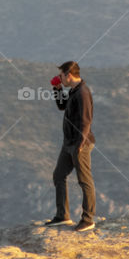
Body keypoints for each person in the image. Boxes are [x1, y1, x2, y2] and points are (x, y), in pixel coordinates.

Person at [45, 61, 96, 231]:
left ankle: (88, 219)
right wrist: (57, 89)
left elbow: (86, 121)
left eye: (61, 76)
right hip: (68, 143)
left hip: (79, 144)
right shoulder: (74, 90)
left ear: (68, 74)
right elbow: (62, 106)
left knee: (84, 180)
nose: (59, 78)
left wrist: (79, 145)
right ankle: (62, 216)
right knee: (59, 175)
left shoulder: (83, 93)